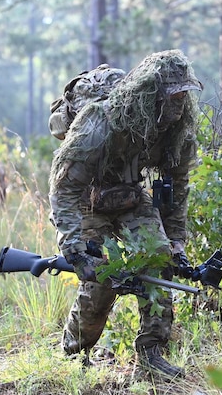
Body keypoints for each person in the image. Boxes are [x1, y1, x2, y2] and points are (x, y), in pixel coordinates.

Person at [48, 49, 202, 378]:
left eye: (183, 97)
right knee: (103, 275)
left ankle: (150, 356)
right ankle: (73, 355)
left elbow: (178, 183)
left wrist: (176, 241)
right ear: (152, 94)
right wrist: (74, 248)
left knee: (159, 257)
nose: (178, 107)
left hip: (129, 194)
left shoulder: (176, 131)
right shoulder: (101, 123)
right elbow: (64, 187)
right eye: (172, 97)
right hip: (87, 198)